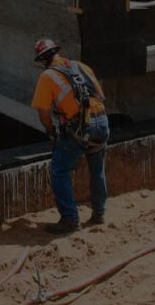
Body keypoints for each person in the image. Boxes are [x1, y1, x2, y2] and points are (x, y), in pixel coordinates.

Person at [30, 38, 111, 234]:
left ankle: (70, 219)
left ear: (42, 60)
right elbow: (101, 95)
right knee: (97, 169)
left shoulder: (47, 76)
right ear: (57, 52)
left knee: (59, 170)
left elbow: (43, 112)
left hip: (80, 128)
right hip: (101, 121)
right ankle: (99, 213)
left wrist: (50, 130)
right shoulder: (80, 66)